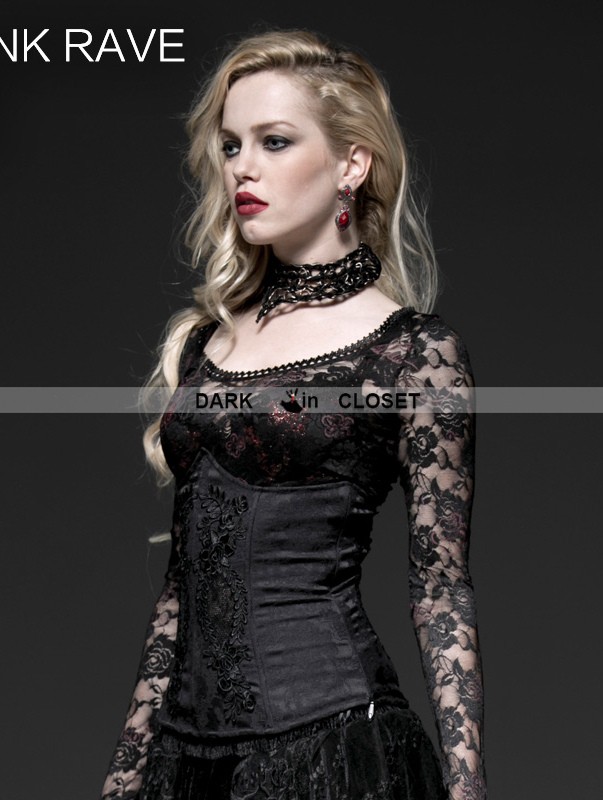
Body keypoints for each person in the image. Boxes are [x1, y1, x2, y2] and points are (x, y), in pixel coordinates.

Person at [100, 28, 486, 800]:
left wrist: (467, 789)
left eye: (274, 141)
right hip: (183, 760)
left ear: (351, 164)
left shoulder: (413, 353)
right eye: (231, 145)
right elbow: (182, 588)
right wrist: (126, 773)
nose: (242, 167)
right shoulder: (207, 341)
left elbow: (439, 588)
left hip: (332, 745)